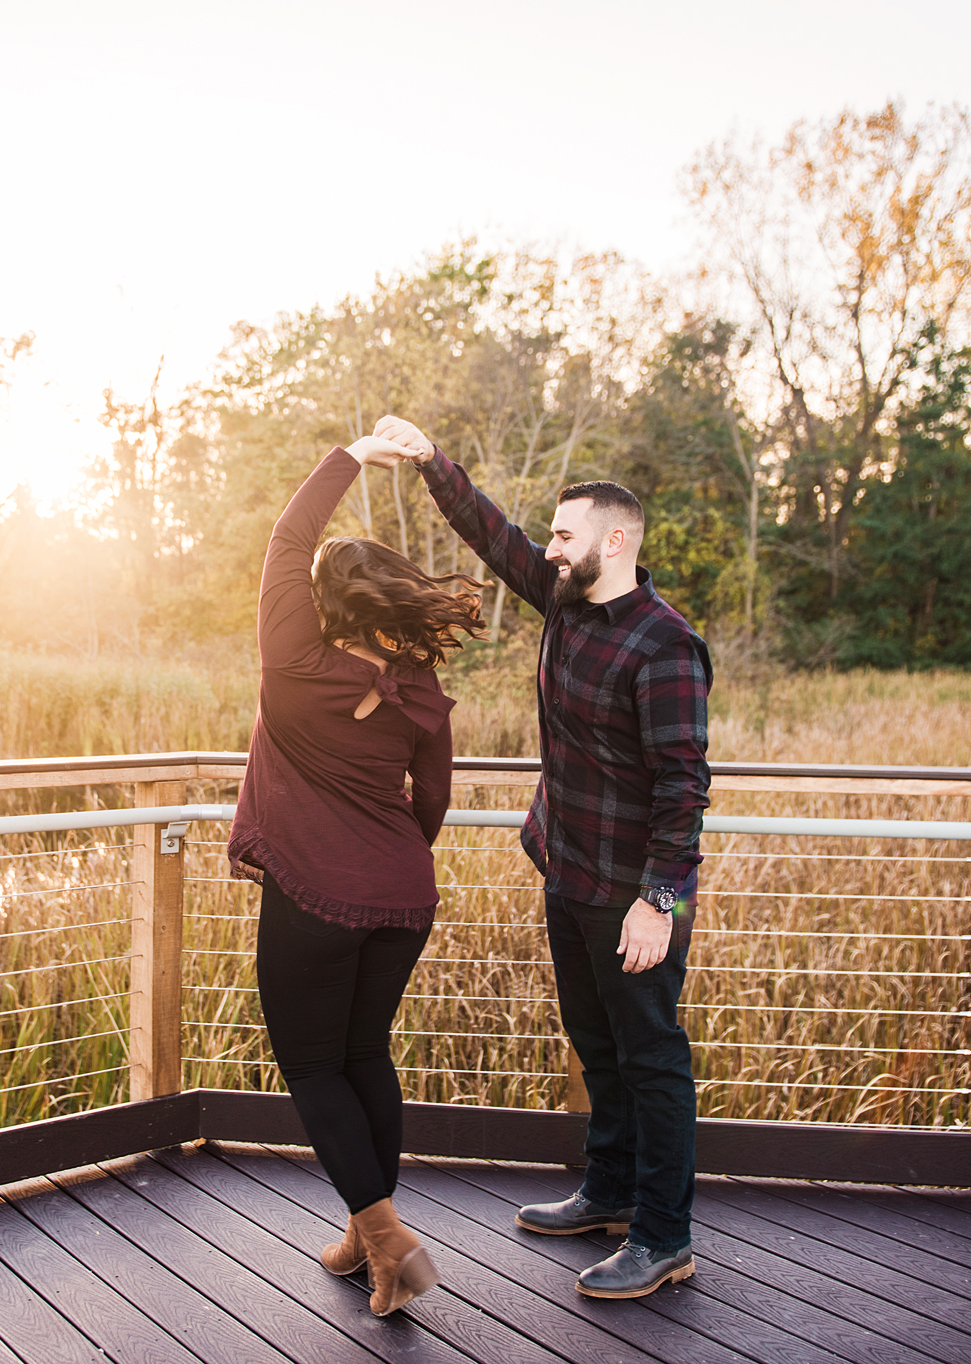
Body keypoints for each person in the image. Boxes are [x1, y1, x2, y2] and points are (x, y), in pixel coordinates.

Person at [375, 413, 712, 1300]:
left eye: (565, 534)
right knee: (597, 1047)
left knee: (652, 1059)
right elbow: (492, 535)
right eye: (552, 536)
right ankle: (606, 1192)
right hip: (568, 870)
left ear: (614, 539)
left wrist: (661, 902)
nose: (549, 548)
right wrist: (430, 459)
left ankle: (665, 1238)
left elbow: (684, 787)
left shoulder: (665, 643)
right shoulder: (564, 599)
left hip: (633, 894)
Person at [226, 435, 485, 1317]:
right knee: (363, 1054)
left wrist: (348, 456)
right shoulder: (421, 691)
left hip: (317, 894)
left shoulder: (293, 659)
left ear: (324, 602)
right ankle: (361, 1233)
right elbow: (435, 803)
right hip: (405, 894)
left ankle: (389, 1239)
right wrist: (392, 859)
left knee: (310, 1064)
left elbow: (285, 544)